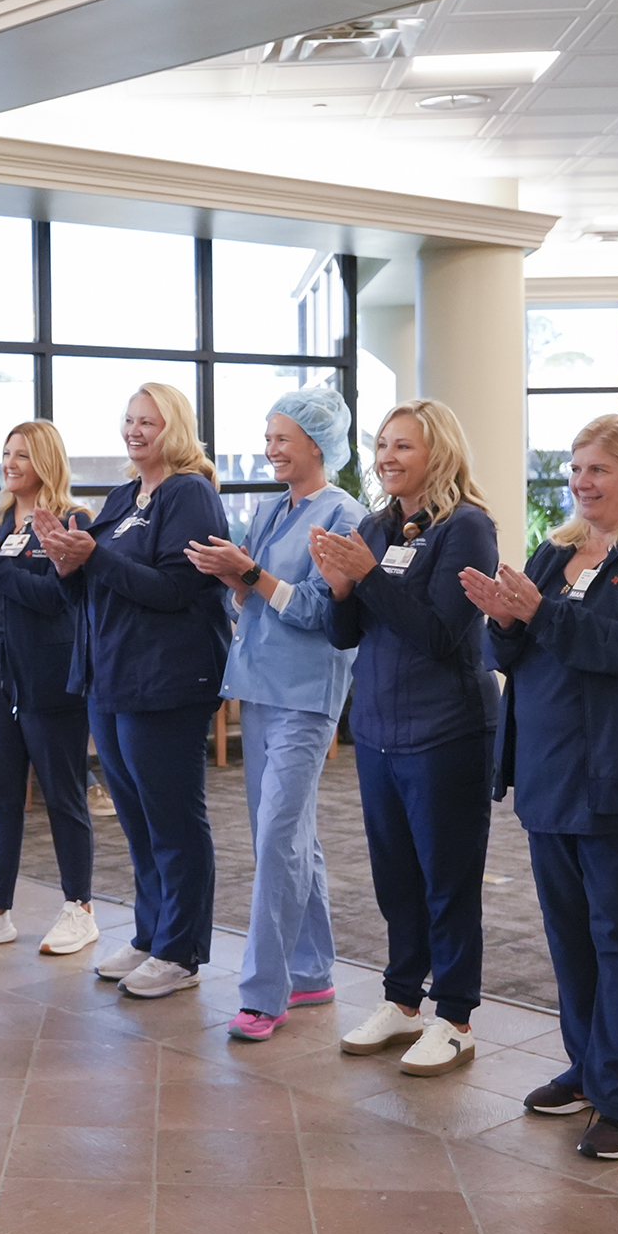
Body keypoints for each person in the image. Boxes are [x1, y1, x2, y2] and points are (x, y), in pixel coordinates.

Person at [460, 413, 618, 1160]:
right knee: (571, 943)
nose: (579, 481)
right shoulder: (555, 551)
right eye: (573, 467)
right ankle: (587, 1068)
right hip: (551, 778)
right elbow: (513, 650)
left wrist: (542, 615)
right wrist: (502, 621)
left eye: (596, 468)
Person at [308, 399, 498, 1076]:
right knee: (395, 878)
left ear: (437, 453)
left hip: (445, 730)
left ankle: (453, 1017)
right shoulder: (376, 525)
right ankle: (401, 1001)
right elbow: (347, 635)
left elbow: (441, 634)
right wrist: (337, 590)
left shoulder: (465, 529)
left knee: (446, 880)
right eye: (381, 445)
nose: (386, 457)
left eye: (403, 447)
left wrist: (363, 576)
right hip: (380, 732)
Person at [35, 383, 231, 999]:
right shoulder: (122, 496)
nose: (135, 430)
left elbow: (177, 589)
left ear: (175, 427)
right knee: (138, 820)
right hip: (111, 677)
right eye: (128, 420)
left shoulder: (189, 494)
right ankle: (151, 934)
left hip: (167, 681)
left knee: (173, 819)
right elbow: (93, 590)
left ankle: (181, 950)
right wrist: (69, 565)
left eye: (148, 421)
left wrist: (94, 557)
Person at [185, 387, 367, 1041]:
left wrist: (252, 574)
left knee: (276, 839)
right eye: (266, 439)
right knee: (288, 836)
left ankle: (264, 993)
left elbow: (324, 614)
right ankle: (313, 968)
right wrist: (229, 574)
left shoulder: (345, 515)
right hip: (258, 687)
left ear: (316, 444)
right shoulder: (268, 509)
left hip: (306, 695)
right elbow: (254, 595)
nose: (269, 450)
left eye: (280, 439)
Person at [0, 421, 99, 957]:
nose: (10, 463)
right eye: (6, 453)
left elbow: (53, 599)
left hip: (49, 682)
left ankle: (80, 907)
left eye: (22, 455)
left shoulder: (71, 521)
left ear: (45, 461)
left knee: (64, 798)